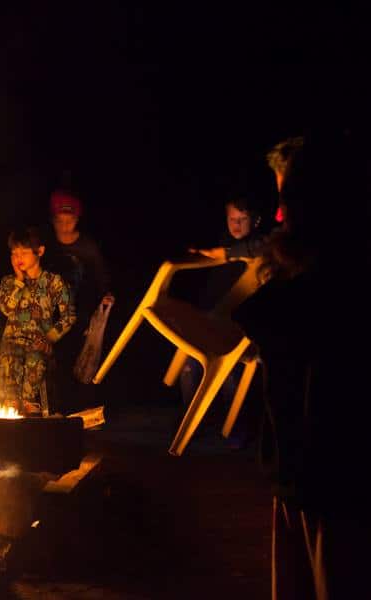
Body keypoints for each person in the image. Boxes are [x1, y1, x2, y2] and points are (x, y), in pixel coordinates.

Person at [231, 131, 368, 599]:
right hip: (297, 480)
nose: (280, 214)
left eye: (288, 198)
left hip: (334, 485)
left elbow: (280, 321)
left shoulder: (340, 279)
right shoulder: (304, 273)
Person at [180, 195, 265, 448]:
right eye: (231, 219)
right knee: (189, 363)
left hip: (240, 329)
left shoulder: (258, 247)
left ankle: (235, 430)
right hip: (214, 320)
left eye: (242, 220)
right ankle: (193, 421)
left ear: (256, 221)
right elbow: (211, 288)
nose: (236, 225)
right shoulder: (223, 244)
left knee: (230, 374)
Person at [44, 190, 114, 415]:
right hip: (53, 314)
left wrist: (106, 295)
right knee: (56, 361)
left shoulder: (87, 246)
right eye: (60, 221)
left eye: (70, 221)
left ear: (77, 220)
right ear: (54, 221)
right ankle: (57, 410)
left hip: (80, 312)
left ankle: (81, 411)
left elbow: (100, 275)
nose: (65, 226)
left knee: (81, 362)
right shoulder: (48, 247)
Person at [0, 226, 76, 417]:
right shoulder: (8, 282)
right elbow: (6, 309)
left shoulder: (53, 282)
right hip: (12, 342)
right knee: (10, 359)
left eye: (24, 252)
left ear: (39, 252)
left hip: (38, 343)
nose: (18, 258)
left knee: (35, 359)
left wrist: (49, 338)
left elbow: (69, 317)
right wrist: (19, 281)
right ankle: (11, 410)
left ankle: (31, 411)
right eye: (14, 253)